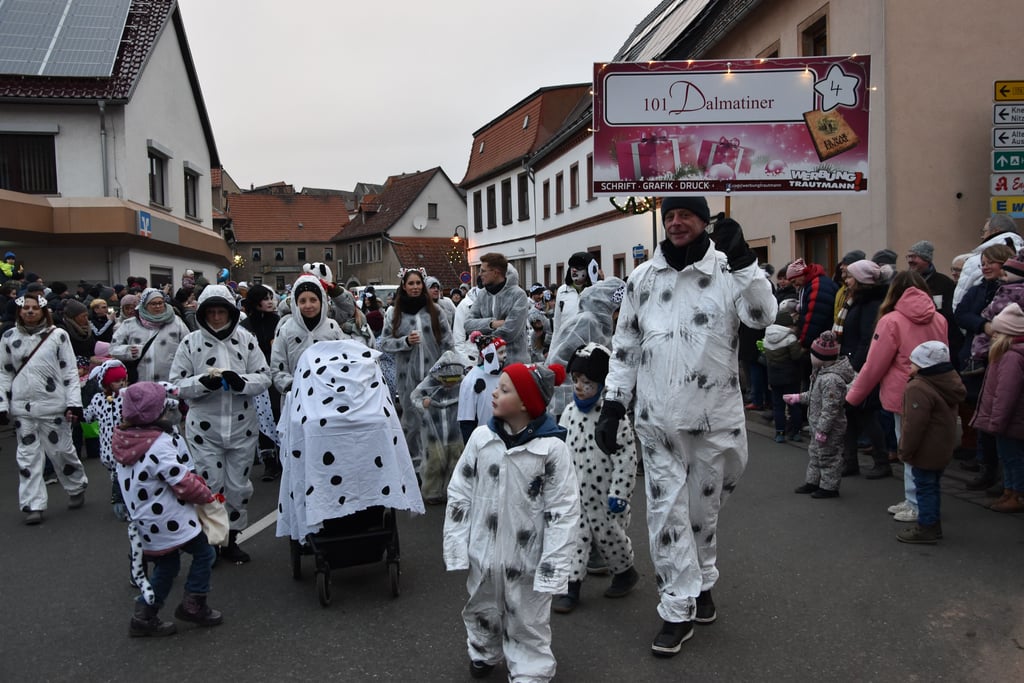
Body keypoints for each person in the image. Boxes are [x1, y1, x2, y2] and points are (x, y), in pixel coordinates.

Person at [595, 196, 777, 657]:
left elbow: (762, 316)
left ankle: (702, 582)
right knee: (667, 516)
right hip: (657, 425)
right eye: (670, 216)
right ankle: (677, 608)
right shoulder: (642, 278)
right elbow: (625, 345)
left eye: (686, 216)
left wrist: (744, 261)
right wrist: (613, 403)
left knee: (701, 515)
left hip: (715, 423)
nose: (676, 223)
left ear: (703, 221)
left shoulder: (727, 271)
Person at [443, 362, 579, 682]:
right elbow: (460, 491)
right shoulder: (482, 439)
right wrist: (457, 544)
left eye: (504, 390)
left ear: (525, 404)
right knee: (482, 605)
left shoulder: (551, 449)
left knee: (528, 616)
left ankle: (530, 669)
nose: (494, 393)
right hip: (484, 551)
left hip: (527, 557)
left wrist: (554, 564)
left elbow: (563, 509)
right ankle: (483, 649)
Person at [170, 284, 271, 564]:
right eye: (211, 312)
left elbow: (264, 376)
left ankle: (232, 538)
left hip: (242, 426)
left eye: (221, 312)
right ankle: (212, 540)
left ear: (230, 313)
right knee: (210, 484)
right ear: (203, 314)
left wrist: (242, 382)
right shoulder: (190, 343)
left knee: (238, 486)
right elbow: (176, 384)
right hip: (205, 428)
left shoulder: (246, 339)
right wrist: (202, 383)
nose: (216, 318)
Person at [113, 381, 222, 637]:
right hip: (169, 518)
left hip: (144, 519)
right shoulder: (159, 444)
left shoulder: (123, 440)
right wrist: (207, 496)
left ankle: (144, 614)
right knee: (205, 553)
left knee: (167, 565)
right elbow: (181, 481)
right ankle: (194, 603)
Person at [845, 270, 948, 522]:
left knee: (909, 448)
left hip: (903, 392)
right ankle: (915, 499)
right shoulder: (938, 318)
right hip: (935, 389)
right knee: (923, 448)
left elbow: (874, 365)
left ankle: (916, 503)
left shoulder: (891, 320)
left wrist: (853, 396)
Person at [553, 343, 638, 614]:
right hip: (575, 494)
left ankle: (625, 572)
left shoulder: (613, 418)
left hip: (604, 494)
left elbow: (626, 458)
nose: (579, 387)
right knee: (574, 539)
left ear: (601, 384)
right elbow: (559, 450)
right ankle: (571, 587)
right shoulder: (569, 413)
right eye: (576, 380)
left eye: (587, 383)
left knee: (610, 537)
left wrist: (620, 493)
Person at [0, 292, 89, 524]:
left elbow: (69, 370)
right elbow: (4, 373)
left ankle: (76, 485)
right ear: (19, 311)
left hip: (53, 406)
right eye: (26, 308)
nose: (30, 311)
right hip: (23, 410)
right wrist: (2, 404)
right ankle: (33, 505)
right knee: (28, 458)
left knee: (62, 452)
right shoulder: (8, 337)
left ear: (43, 311)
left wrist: (74, 403)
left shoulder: (58, 335)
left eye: (34, 308)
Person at [379, 268, 454, 474]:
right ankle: (413, 467)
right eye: (411, 283)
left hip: (433, 378)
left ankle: (436, 465)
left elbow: (448, 343)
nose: (415, 287)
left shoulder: (436, 311)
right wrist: (404, 342)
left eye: (418, 283)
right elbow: (384, 343)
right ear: (404, 286)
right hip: (407, 380)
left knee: (435, 420)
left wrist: (446, 372)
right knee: (411, 423)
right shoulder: (394, 313)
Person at [953, 244, 1016, 488]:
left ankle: (1006, 478)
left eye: (991, 262)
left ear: (1004, 263)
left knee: (1001, 418)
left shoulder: (1013, 290)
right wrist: (983, 325)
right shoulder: (978, 289)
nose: (985, 267)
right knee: (982, 415)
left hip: (1003, 357)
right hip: (977, 359)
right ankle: (986, 467)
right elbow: (961, 314)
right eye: (983, 263)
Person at [894, 342, 965, 543]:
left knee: (924, 487)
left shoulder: (918, 387)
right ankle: (932, 523)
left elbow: (914, 425)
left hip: (925, 449)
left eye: (913, 362)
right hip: (941, 446)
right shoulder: (949, 381)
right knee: (932, 486)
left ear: (924, 365)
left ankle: (927, 527)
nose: (910, 366)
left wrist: (905, 450)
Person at [786, 331, 855, 498]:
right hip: (817, 425)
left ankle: (829, 487)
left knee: (829, 456)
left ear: (821, 357)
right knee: (815, 454)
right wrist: (798, 397)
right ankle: (813, 481)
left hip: (829, 428)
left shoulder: (831, 380)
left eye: (813, 354)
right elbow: (815, 396)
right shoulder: (820, 373)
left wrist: (823, 430)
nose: (810, 357)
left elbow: (830, 409)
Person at [972, 303, 1024, 513]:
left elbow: (1006, 395)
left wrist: (996, 422)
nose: (992, 335)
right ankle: (1009, 492)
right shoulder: (1006, 354)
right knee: (1008, 457)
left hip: (1010, 421)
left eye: (998, 332)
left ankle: (1017, 495)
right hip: (1008, 421)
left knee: (1013, 459)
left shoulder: (1011, 357)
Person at [410, 349, 468, 504]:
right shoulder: (429, 383)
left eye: (454, 380)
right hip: (433, 434)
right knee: (433, 464)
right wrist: (423, 403)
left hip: (455, 432)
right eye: (446, 380)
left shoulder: (463, 383)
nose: (450, 384)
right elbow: (415, 396)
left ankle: (455, 492)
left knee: (456, 462)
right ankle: (432, 493)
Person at [240, 284, 283, 481]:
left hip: (276, 375)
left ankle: (283, 457)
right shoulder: (245, 326)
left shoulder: (279, 322)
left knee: (278, 413)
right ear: (256, 302)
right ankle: (269, 462)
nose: (270, 302)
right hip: (256, 376)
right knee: (261, 417)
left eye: (271, 298)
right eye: (265, 298)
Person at [110, 288, 191, 383]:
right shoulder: (129, 324)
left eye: (160, 303)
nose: (158, 306)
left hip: (169, 381)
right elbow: (113, 348)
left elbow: (189, 346)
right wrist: (129, 351)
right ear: (145, 305)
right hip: (140, 381)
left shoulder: (176, 322)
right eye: (153, 304)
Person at [464, 253, 531, 365]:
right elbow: (468, 324)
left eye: (483, 271)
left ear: (495, 273)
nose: (480, 275)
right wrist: (492, 324)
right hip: (486, 364)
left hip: (513, 364)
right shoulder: (482, 295)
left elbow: (510, 332)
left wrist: (481, 337)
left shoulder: (518, 295)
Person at [906, 240, 961, 366]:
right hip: (912, 340)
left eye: (914, 257)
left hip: (937, 342)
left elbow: (950, 316)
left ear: (926, 259)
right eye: (909, 257)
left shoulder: (944, 283)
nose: (910, 260)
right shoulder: (905, 282)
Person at [953, 214, 1024, 310]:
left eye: (984, 231)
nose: (982, 236)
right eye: (983, 264)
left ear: (995, 231)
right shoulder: (1021, 254)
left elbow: (959, 299)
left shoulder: (975, 260)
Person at [549, 252, 600, 361]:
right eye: (572, 266)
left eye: (579, 267)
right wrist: (551, 356)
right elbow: (557, 327)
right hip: (565, 349)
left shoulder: (597, 291)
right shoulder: (562, 291)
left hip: (589, 350)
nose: (574, 270)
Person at [763, 309, 804, 443]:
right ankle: (796, 432)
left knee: (778, 406)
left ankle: (779, 433)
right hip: (790, 377)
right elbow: (796, 356)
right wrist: (802, 350)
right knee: (793, 404)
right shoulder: (790, 338)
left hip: (774, 376)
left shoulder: (767, 338)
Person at [458, 333, 507, 443]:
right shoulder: (471, 380)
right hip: (483, 441)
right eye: (500, 352)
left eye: (505, 352)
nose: (505, 356)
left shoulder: (505, 377)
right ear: (489, 354)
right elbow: (466, 420)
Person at [787, 258, 839, 351]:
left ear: (801, 275)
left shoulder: (816, 286)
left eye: (794, 281)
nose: (795, 285)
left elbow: (814, 319)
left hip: (820, 342)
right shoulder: (813, 284)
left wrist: (804, 342)